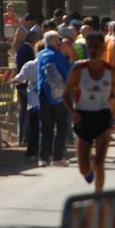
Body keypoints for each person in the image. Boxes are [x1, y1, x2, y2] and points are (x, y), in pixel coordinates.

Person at [63, 32, 115, 192]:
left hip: (102, 116)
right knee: (83, 169)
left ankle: (98, 196)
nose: (93, 50)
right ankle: (89, 172)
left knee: (99, 163)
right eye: (90, 47)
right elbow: (65, 94)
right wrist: (72, 112)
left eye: (97, 47)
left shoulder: (111, 71)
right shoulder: (78, 69)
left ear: (103, 48)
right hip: (83, 117)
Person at [37, 31, 71, 166]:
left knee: (45, 128)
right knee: (61, 127)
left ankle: (43, 158)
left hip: (43, 95)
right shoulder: (58, 56)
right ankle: (58, 157)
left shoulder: (40, 55)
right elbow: (67, 72)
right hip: (58, 96)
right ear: (56, 42)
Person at [15, 30, 39, 145]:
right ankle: (26, 137)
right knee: (29, 112)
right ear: (33, 39)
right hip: (28, 86)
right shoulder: (30, 50)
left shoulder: (20, 49)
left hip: (20, 84)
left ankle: (21, 137)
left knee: (22, 111)